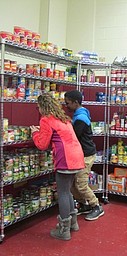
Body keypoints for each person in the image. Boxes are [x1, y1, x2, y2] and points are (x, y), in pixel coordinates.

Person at [30, 93, 85, 241]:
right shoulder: (65, 119)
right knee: (67, 191)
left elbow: (41, 144)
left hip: (65, 159)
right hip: (77, 157)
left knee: (62, 193)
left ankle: (63, 230)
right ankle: (73, 224)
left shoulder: (46, 120)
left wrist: (35, 133)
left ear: (42, 106)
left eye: (38, 107)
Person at [64, 90, 104, 221]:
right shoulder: (78, 114)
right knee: (73, 184)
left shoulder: (81, 118)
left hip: (86, 155)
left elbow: (74, 136)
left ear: (76, 102)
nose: (66, 106)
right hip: (80, 154)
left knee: (80, 184)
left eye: (68, 103)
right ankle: (84, 204)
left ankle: (96, 206)